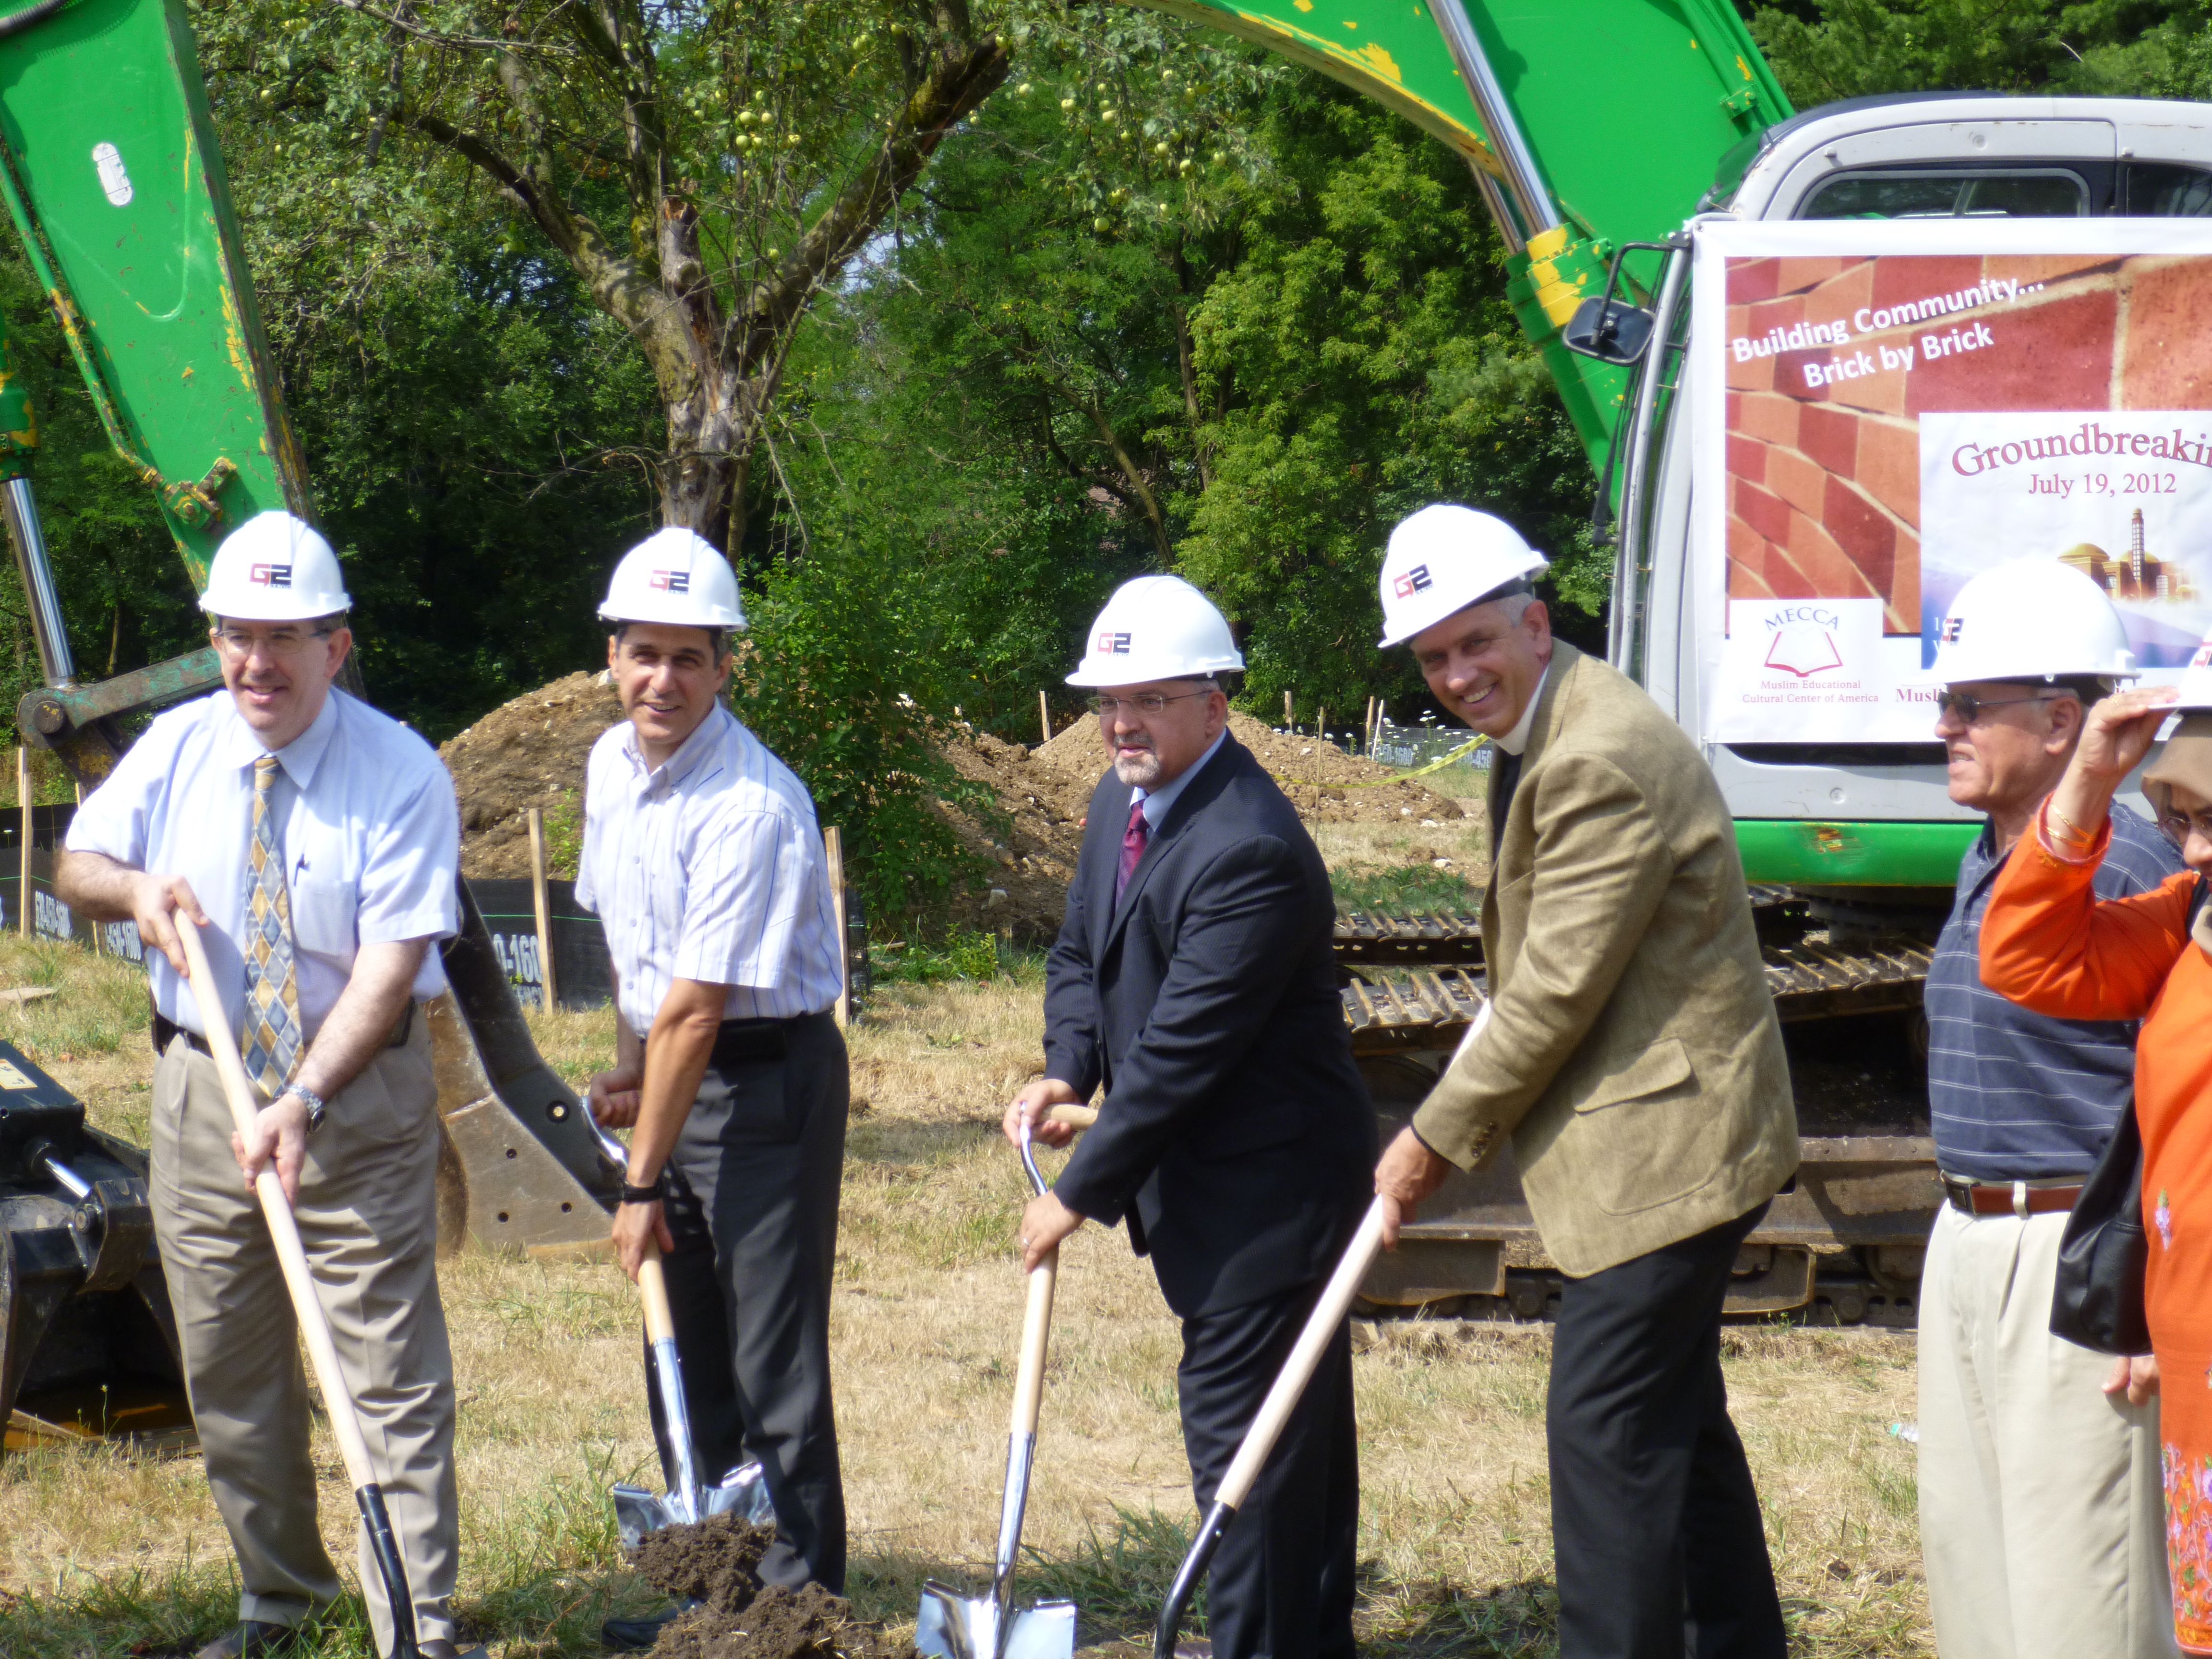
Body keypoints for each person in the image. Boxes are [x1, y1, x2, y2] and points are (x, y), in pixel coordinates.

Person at [1367, 504, 1798, 1659]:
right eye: (1434, 657)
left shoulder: (1596, 755)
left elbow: (1554, 990)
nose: (1458, 675)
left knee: (1605, 1434)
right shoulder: (1548, 724)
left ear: (1536, 623)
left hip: (1675, 1150)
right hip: (1679, 1120)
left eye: (1476, 643)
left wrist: (1428, 1140)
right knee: (1673, 1426)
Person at [56, 512, 473, 1659]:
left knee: (384, 1372)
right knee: (228, 1362)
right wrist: (133, 892)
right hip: (203, 1093)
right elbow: (77, 862)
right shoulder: (178, 747)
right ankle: (282, 1603)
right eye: (238, 635)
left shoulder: (400, 772)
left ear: (336, 648)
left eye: (284, 637)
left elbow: (391, 967)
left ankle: (416, 1627)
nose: (258, 662)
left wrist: (306, 1099)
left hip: (355, 1096)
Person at [1005, 574, 1374, 1659]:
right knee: (1289, 1448)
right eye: (1110, 701)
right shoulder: (1118, 802)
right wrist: (1068, 1070)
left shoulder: (1248, 847)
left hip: (1273, 1196)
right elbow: (1081, 952)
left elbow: (1182, 1054)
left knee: (1246, 1460)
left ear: (1215, 707)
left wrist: (1077, 1195)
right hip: (1219, 1182)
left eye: (1151, 700)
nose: (1123, 722)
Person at [577, 528, 849, 1650]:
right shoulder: (610, 766)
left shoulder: (753, 805)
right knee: (681, 1346)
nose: (663, 680)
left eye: (689, 658)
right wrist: (636, 1072)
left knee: (768, 1355)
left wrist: (639, 1183)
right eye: (644, 653)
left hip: (765, 1082)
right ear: (612, 655)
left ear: (726, 666)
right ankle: (712, 1599)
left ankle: (794, 1611)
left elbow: (698, 1008)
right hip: (680, 1069)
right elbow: (636, 956)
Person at [1915, 560, 2181, 1659]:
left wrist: (2153, 1303)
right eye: (1946, 701)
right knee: (1977, 1584)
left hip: (2075, 1255)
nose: (1944, 726)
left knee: (2086, 1608)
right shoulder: (1989, 855)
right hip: (1972, 1235)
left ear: (2063, 720)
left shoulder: (2131, 867)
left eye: (1969, 704)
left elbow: (2182, 1099)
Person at [1980, 663, 2212, 1657]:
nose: (2195, 849)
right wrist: (2087, 782)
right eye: (2178, 819)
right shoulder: (2189, 922)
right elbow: (2029, 959)